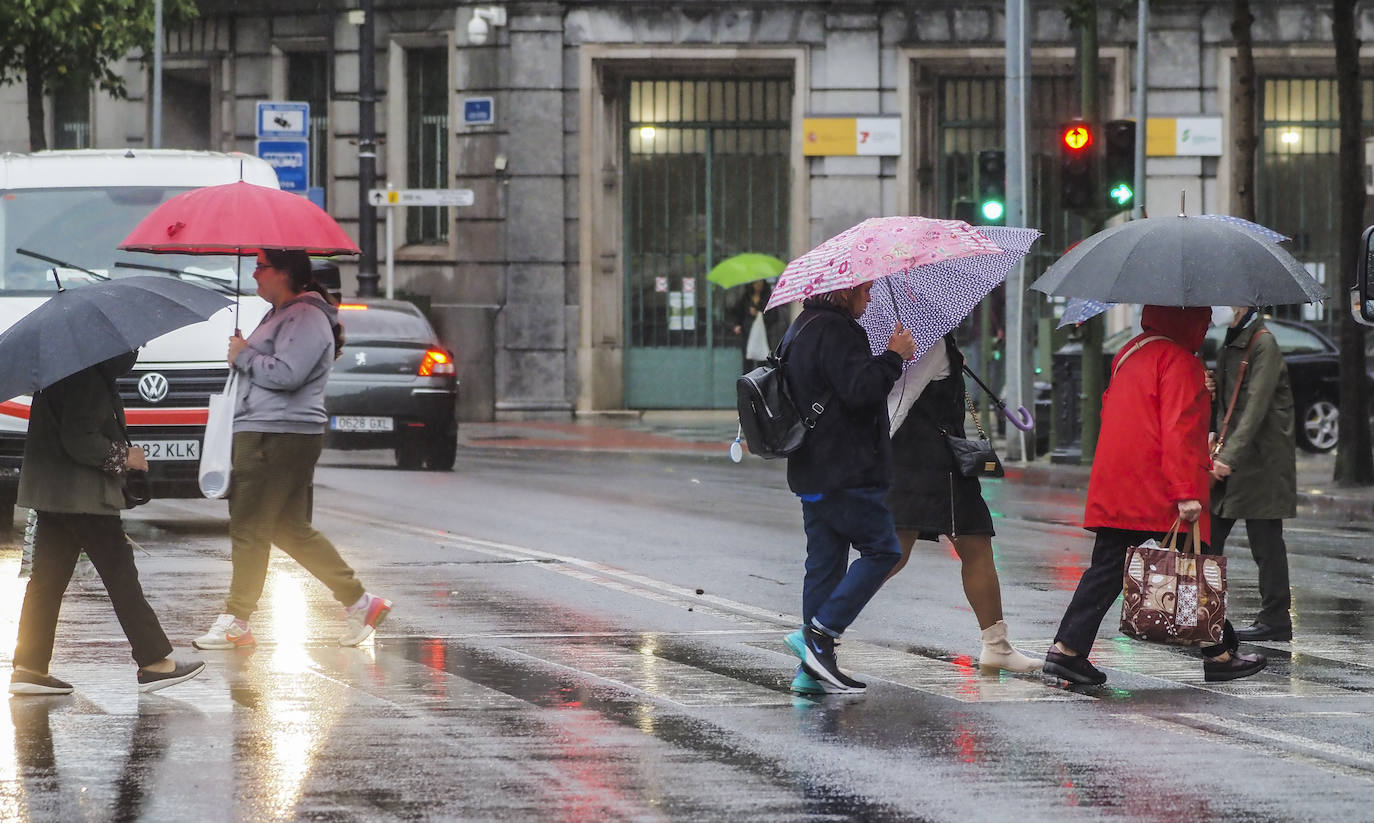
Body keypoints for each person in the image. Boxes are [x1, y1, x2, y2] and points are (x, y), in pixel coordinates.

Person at [1045, 305, 1266, 685]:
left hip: (1120, 479)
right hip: (1159, 485)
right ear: (1184, 318)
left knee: (1109, 569)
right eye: (1203, 316)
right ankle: (1220, 654)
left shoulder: (1130, 352)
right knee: (1194, 566)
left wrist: (1202, 389)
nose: (1208, 323)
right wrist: (1185, 491)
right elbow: (1178, 429)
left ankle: (1068, 650)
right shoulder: (1180, 361)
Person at [194, 249, 392, 650]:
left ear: (284, 273)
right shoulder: (284, 314)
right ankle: (360, 603)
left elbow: (287, 374)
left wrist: (244, 355)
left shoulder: (305, 317)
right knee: (288, 528)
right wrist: (246, 350)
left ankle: (236, 619)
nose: (254, 273)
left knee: (249, 525)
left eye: (261, 266)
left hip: (276, 432)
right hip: (276, 429)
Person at [10, 352, 206, 695]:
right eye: (132, 346)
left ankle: (30, 666)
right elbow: (79, 438)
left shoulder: (63, 366)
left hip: (55, 495)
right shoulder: (86, 374)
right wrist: (124, 455)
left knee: (47, 581)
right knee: (121, 576)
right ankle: (154, 661)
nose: (135, 352)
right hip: (84, 496)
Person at [781, 282, 916, 694]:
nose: (870, 298)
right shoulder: (837, 330)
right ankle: (819, 634)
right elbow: (860, 391)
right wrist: (894, 357)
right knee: (883, 550)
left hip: (812, 469)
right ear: (845, 292)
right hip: (845, 470)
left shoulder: (801, 326)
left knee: (824, 563)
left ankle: (811, 672)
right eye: (865, 291)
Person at [881, 333, 1041, 674]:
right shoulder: (929, 344)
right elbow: (900, 401)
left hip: (926, 461)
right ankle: (826, 625)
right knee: (898, 552)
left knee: (967, 543)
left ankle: (996, 645)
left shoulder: (934, 343)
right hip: (930, 464)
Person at [1209, 306, 1295, 642]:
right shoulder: (1231, 343)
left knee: (1266, 542)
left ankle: (1275, 619)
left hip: (1262, 460)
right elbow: (1230, 407)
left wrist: (1228, 455)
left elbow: (1256, 407)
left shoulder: (1263, 343)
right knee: (1209, 537)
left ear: (1242, 304)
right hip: (1237, 456)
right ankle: (1202, 614)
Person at [731, 280, 783, 373]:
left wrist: (759, 314)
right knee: (747, 361)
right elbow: (738, 313)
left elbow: (774, 316)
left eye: (760, 283)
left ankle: (761, 383)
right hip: (748, 334)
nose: (758, 285)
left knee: (762, 361)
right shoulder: (746, 297)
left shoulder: (768, 298)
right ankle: (747, 383)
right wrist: (737, 325)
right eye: (756, 283)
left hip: (763, 334)